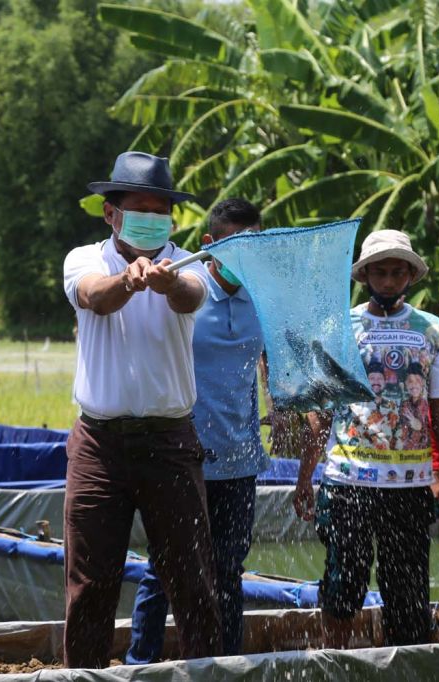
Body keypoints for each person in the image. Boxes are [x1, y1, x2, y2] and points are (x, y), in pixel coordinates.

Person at [61, 151, 220, 668]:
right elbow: (94, 297)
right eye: (140, 208)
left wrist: (168, 281)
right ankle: (84, 676)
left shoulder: (187, 267)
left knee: (192, 580)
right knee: (90, 583)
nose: (152, 218)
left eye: (161, 209)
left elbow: (191, 297)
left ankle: (205, 674)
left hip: (170, 442)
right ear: (111, 214)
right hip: (99, 445)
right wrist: (129, 281)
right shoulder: (85, 259)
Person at [293, 230, 439, 648]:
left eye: (396, 272)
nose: (388, 281)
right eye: (380, 272)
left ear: (410, 276)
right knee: (340, 589)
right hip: (348, 481)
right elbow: (321, 410)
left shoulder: (433, 331)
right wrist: (304, 478)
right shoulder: (340, 327)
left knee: (408, 598)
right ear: (365, 275)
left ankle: (403, 665)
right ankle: (335, 664)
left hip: (408, 486)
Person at [126, 198, 270, 663]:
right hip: (181, 456)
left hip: (240, 460)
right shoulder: (184, 291)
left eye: (254, 246)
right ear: (209, 246)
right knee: (164, 570)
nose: (244, 259)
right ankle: (140, 663)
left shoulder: (262, 301)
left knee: (228, 572)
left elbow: (270, 370)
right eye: (233, 247)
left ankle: (226, 664)